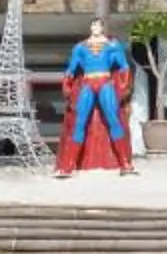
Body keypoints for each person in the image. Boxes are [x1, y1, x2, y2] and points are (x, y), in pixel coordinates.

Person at [58, 20, 136, 177]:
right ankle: (68, 166)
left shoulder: (112, 45)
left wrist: (124, 86)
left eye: (98, 25)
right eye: (93, 25)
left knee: (113, 119)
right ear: (90, 28)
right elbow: (72, 68)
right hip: (87, 83)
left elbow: (124, 66)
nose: (96, 28)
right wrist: (67, 84)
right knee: (80, 121)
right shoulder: (80, 47)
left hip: (105, 83)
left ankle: (125, 163)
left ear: (102, 28)